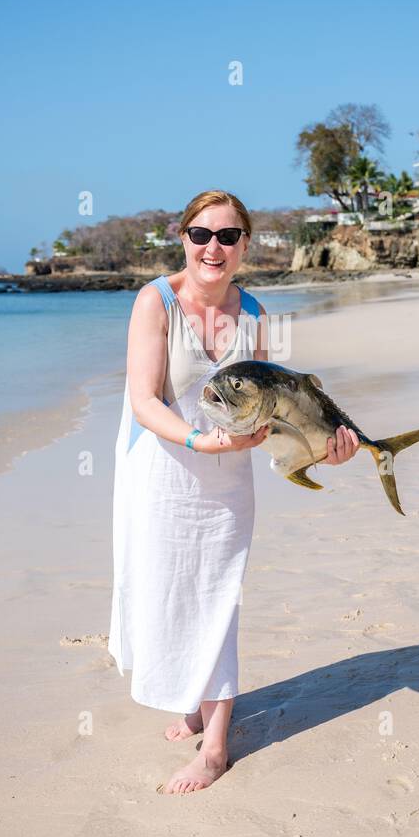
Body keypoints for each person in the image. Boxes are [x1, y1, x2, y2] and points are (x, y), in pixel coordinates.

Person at [108, 189, 359, 793]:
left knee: (218, 596)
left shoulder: (255, 314)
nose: (212, 248)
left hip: (231, 481)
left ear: (245, 244)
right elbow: (144, 402)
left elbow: (276, 411)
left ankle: (215, 748)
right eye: (201, 235)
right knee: (169, 592)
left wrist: (324, 451)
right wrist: (200, 442)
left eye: (227, 236)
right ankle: (194, 702)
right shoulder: (155, 302)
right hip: (165, 473)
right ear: (184, 239)